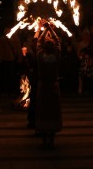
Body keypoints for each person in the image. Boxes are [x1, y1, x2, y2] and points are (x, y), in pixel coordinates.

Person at [34, 19, 63, 149]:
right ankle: (51, 138)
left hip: (42, 86)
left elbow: (39, 42)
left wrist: (44, 29)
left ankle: (45, 138)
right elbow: (57, 42)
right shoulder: (57, 55)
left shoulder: (40, 56)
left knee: (43, 111)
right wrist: (50, 29)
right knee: (53, 111)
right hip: (53, 86)